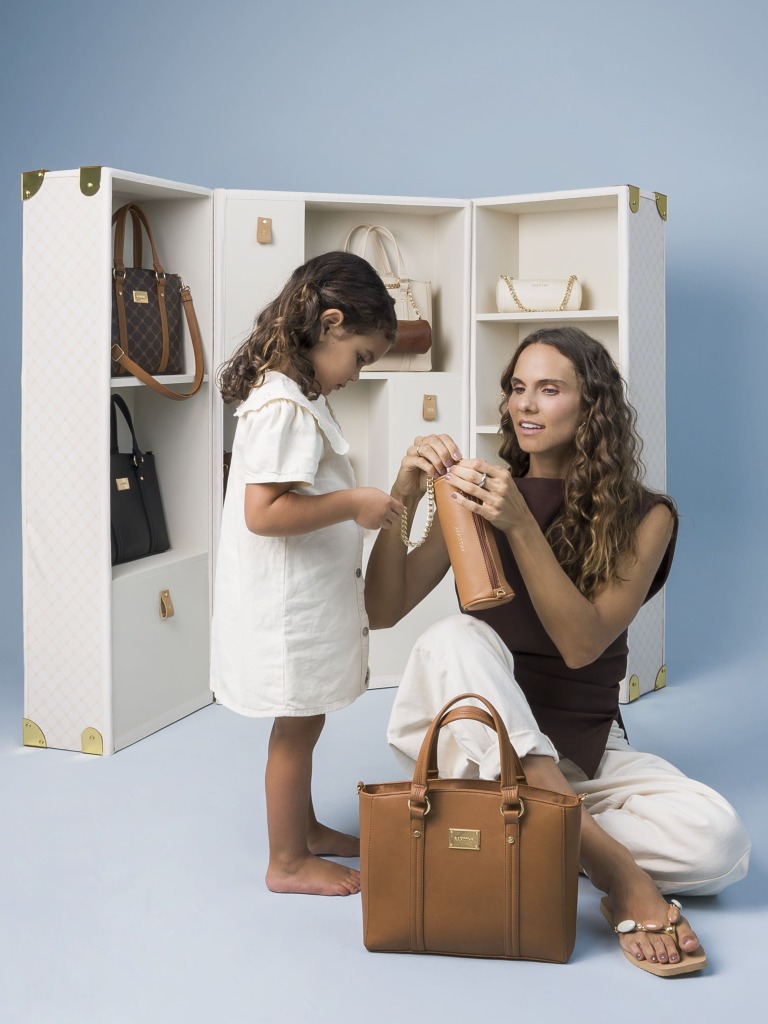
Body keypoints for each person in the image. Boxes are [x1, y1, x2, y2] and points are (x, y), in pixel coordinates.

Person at [365, 326, 750, 974]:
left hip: (587, 748)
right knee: (454, 637)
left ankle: (538, 825)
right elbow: (382, 610)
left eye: (549, 389)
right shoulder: (475, 495)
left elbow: (581, 645)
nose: (525, 404)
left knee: (722, 845)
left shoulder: (647, 515)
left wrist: (519, 523)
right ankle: (613, 867)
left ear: (591, 404)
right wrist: (403, 493)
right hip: (481, 744)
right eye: (518, 388)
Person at [211, 252, 403, 897]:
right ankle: (287, 861)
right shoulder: (284, 406)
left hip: (301, 602)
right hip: (287, 612)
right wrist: (354, 504)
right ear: (330, 323)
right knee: (295, 729)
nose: (357, 374)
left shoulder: (295, 395)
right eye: (361, 358)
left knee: (305, 720)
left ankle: (305, 829)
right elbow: (263, 513)